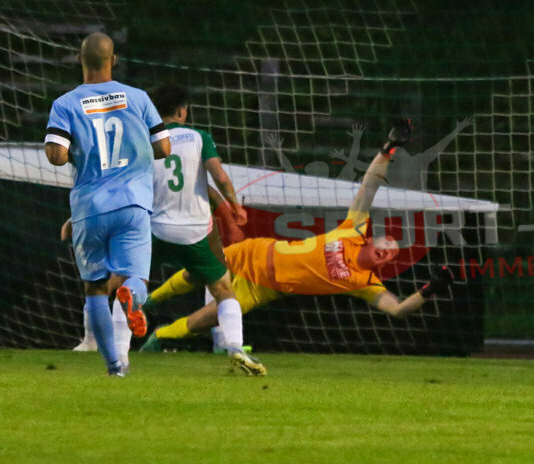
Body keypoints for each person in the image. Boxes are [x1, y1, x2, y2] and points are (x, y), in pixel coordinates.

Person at [145, 119, 456, 345]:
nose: (387, 252)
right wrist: (388, 149)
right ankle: (149, 301)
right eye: (387, 245)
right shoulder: (353, 229)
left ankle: (158, 339)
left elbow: (398, 310)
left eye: (390, 256)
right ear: (373, 239)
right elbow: (370, 185)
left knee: (208, 318)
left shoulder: (364, 282)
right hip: (257, 252)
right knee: (198, 272)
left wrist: (430, 290)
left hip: (264, 288)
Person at [44, 32, 171, 376]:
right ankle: (130, 295)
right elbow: (164, 148)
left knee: (96, 290)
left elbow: (56, 156)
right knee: (136, 279)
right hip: (133, 204)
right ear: (113, 60)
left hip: (89, 208)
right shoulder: (139, 97)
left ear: (80, 59)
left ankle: (114, 366)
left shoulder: (65, 104)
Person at [143, 83, 266, 376]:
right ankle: (235, 347)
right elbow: (219, 177)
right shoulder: (199, 137)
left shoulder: (145, 141)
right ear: (182, 111)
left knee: (128, 282)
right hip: (195, 231)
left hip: (155, 228)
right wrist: (235, 205)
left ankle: (115, 353)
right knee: (223, 289)